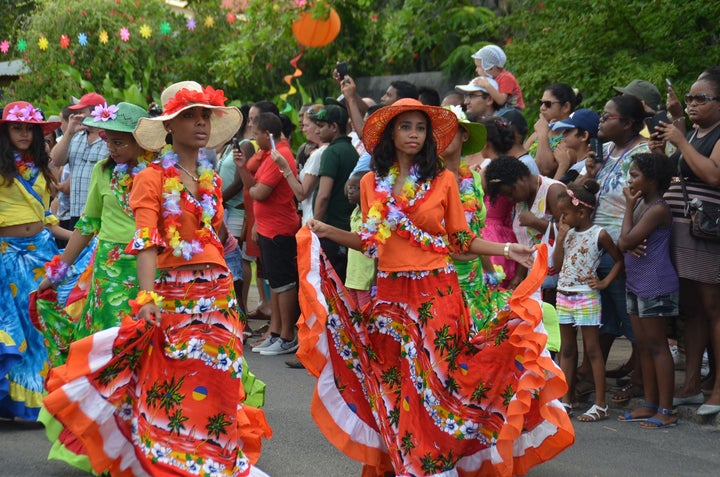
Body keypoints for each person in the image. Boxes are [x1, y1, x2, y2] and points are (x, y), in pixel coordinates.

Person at [297, 98, 573, 476]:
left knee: (439, 382)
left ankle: (436, 463)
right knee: (399, 385)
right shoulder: (369, 183)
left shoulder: (443, 180)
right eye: (406, 126)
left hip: (437, 293)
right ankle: (410, 459)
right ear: (390, 134)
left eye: (420, 128)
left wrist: (507, 248)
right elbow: (371, 242)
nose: (413, 134)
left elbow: (460, 240)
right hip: (390, 298)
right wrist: (328, 231)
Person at [42, 81, 271, 476]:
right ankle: (171, 458)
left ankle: (213, 456)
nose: (200, 123)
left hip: (216, 294)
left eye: (204, 116)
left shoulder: (211, 179)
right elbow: (146, 241)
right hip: (172, 294)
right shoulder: (149, 177)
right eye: (189, 116)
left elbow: (213, 234)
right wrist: (146, 297)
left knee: (219, 375)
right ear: (169, 126)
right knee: (172, 378)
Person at [36, 102, 152, 364]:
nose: (111, 148)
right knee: (109, 343)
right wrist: (57, 273)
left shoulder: (159, 174)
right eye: (108, 141)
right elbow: (87, 225)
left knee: (145, 344)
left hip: (150, 267)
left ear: (140, 141)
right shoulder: (102, 170)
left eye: (119, 142)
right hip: (109, 270)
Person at [653, 69, 720, 416]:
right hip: (684, 232)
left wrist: (679, 141)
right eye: (690, 98)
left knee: (713, 309)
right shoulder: (693, 132)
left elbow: (712, 175)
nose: (693, 104)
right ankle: (692, 383)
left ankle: (717, 388)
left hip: (708, 235)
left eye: (701, 99)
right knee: (692, 309)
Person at [575, 95, 650, 403]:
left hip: (623, 244)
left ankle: (642, 380)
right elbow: (578, 194)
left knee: (629, 316)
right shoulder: (604, 152)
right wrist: (589, 175)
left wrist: (632, 237)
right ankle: (589, 375)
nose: (601, 122)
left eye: (608, 117)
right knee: (603, 315)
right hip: (596, 243)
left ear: (629, 123)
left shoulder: (643, 153)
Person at [0, 101, 65, 421]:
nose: (24, 134)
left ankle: (48, 396)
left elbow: (46, 216)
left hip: (42, 250)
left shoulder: (40, 165)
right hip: (8, 255)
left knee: (47, 324)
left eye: (29, 128)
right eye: (17, 127)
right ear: (5, 131)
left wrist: (82, 236)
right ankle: (21, 399)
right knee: (19, 328)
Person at [616, 152, 679, 428]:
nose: (630, 180)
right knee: (643, 345)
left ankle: (666, 409)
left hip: (656, 284)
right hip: (636, 282)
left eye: (635, 175)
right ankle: (650, 403)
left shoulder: (658, 208)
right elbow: (623, 242)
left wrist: (629, 213)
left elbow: (627, 238)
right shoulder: (643, 203)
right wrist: (628, 240)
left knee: (657, 346)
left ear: (652, 180)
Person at [553, 180, 624, 422]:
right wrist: (561, 238)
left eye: (565, 213)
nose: (562, 218)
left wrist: (604, 283)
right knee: (568, 349)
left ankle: (600, 404)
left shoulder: (599, 234)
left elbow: (618, 260)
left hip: (586, 297)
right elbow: (557, 263)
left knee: (593, 350)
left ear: (581, 212)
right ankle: (566, 400)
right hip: (564, 294)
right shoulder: (569, 233)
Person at [239, 112, 301, 356]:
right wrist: (244, 168)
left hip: (279, 228)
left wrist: (252, 185)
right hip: (266, 227)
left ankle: (286, 335)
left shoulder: (281, 154)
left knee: (284, 283)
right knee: (274, 283)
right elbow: (249, 179)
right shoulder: (267, 152)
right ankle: (275, 332)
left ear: (268, 134)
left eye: (256, 134)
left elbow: (259, 192)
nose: (253, 139)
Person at [484, 156, 566, 297]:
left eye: (510, 193)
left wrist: (536, 222)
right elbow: (527, 243)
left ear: (521, 178)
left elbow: (571, 230)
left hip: (558, 279)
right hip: (535, 277)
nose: (510, 199)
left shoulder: (553, 190)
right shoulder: (521, 201)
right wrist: (518, 277)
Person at [310, 101, 359, 282]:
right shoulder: (352, 151)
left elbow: (323, 196)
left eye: (321, 126)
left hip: (331, 230)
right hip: (347, 232)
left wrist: (314, 227)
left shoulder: (331, 152)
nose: (317, 131)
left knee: (329, 286)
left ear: (334, 127)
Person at [50, 92, 109, 230]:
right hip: (75, 214)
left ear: (95, 111)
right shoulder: (76, 137)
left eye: (81, 111)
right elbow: (55, 160)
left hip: (100, 214)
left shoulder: (109, 140)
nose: (78, 115)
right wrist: (69, 132)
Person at [274, 104, 325, 224]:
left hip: (312, 220)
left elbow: (301, 194)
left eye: (307, 125)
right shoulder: (310, 150)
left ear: (318, 127)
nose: (303, 129)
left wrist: (285, 168)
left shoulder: (318, 154)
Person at [525, 83, 581, 177]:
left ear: (566, 107)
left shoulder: (571, 137)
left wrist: (543, 134)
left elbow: (545, 170)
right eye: (541, 103)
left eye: (547, 104)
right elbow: (519, 158)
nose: (542, 108)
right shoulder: (538, 132)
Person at [549, 109, 601, 183]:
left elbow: (554, 193)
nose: (563, 134)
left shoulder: (580, 168)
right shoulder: (583, 164)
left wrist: (562, 166)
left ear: (584, 136)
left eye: (568, 130)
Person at [471, 44, 525, 111]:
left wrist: (487, 85)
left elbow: (501, 100)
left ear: (490, 67)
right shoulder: (492, 78)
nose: (476, 69)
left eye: (479, 66)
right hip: (501, 109)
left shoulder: (506, 78)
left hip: (512, 110)